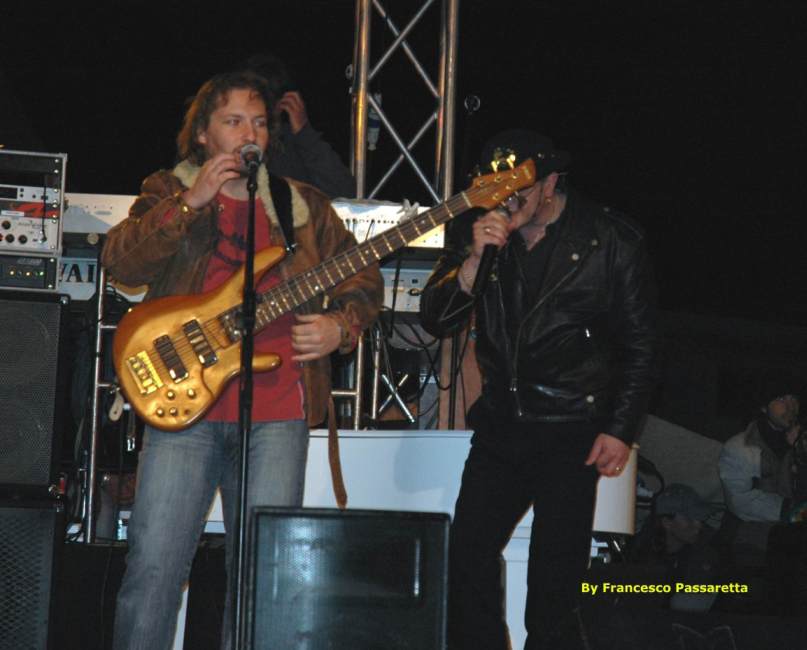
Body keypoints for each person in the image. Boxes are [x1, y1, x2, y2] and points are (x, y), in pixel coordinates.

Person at [101, 70, 382, 650]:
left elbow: (362, 278)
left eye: (258, 122)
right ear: (204, 134)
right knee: (154, 570)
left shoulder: (302, 205)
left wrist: (341, 325)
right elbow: (122, 265)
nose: (250, 132)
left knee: (262, 583)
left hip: (276, 415)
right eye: (233, 121)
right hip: (185, 411)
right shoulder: (166, 190)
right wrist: (189, 203)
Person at [419, 129, 656, 649]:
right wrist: (474, 262)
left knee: (555, 578)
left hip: (573, 425)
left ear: (549, 182)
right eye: (497, 190)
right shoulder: (478, 232)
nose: (506, 202)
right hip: (502, 422)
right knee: (466, 554)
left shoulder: (609, 239)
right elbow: (436, 319)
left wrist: (620, 429)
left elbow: (641, 345)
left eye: (518, 191)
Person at [718, 393, 807, 614]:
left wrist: (800, 454)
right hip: (753, 544)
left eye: (793, 399)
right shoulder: (740, 447)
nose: (790, 406)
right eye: (781, 400)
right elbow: (740, 501)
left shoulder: (800, 444)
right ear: (764, 407)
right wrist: (791, 511)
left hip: (794, 544)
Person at [244, 53, 355, 199]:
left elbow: (344, 192)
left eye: (267, 101)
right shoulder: (232, 141)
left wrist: (304, 133)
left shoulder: (293, 144)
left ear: (281, 103)